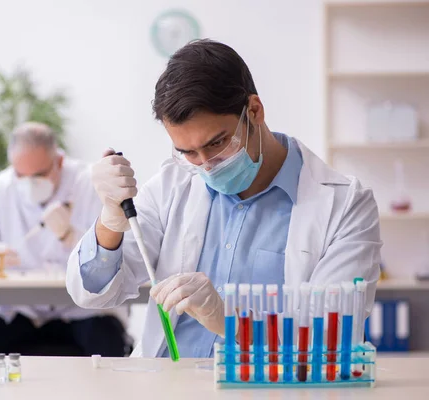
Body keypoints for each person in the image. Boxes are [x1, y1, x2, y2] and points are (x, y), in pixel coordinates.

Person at [66, 40, 382, 358]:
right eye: (187, 152)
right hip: (167, 384)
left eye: (218, 143)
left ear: (254, 111)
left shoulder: (345, 205)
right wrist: (110, 220)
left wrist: (229, 322)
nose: (205, 163)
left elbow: (332, 339)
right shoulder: (170, 187)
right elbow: (93, 295)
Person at [0, 122, 127, 357]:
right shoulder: (1, 188)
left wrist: (70, 236)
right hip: (21, 311)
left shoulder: (88, 184)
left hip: (81, 312)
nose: (29, 184)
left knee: (107, 341)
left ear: (59, 161)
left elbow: (117, 253)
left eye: (38, 175)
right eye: (21, 175)